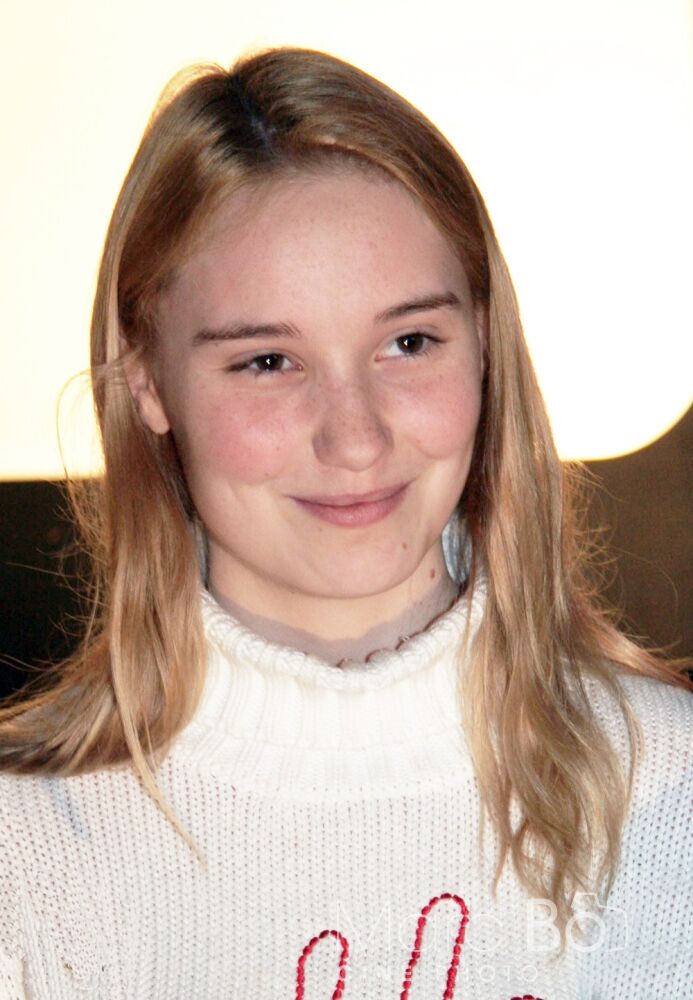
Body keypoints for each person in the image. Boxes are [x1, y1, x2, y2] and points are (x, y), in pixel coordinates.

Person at [0, 47, 690, 1000]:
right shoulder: (25, 853)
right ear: (147, 379)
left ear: (484, 346)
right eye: (267, 361)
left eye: (408, 342)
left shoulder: (673, 792)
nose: (355, 439)